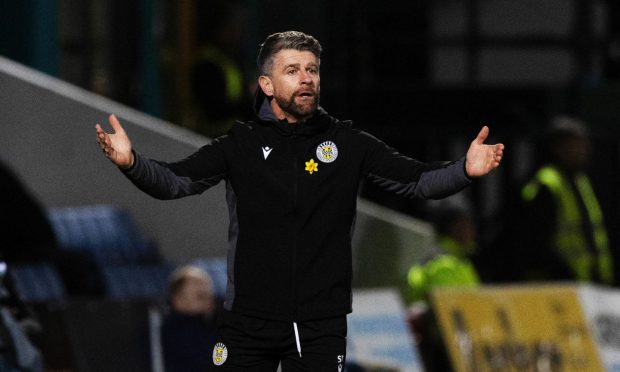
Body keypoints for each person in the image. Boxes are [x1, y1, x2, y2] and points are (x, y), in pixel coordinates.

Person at [95, 30, 504, 371]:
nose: (306, 78)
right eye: (293, 71)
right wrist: (132, 163)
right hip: (247, 320)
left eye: (312, 70)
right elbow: (173, 182)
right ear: (267, 85)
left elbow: (416, 181)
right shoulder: (239, 146)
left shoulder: (348, 144)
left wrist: (464, 170)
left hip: (318, 323)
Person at [514, 115, 613, 285]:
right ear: (559, 148)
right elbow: (537, 242)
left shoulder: (581, 181)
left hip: (590, 286)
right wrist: (564, 275)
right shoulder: (546, 184)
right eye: (577, 144)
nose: (585, 149)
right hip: (559, 287)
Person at [160, 265, 217, 372]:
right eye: (200, 296)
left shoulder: (209, 325)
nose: (209, 301)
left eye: (210, 296)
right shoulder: (174, 332)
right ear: (178, 300)